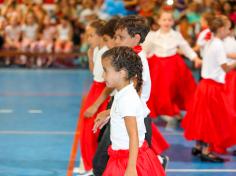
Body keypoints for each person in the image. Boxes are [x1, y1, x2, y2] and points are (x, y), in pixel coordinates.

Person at [101, 46, 165, 176]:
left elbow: (133, 135)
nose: (103, 75)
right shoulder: (123, 93)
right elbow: (121, 113)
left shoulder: (127, 98)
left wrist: (131, 168)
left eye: (106, 71)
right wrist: (108, 116)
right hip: (123, 156)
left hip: (129, 160)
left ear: (122, 73)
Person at [182, 17, 236, 162]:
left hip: (205, 85)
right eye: (228, 28)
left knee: (202, 117)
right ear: (221, 29)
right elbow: (225, 67)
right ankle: (207, 150)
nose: (229, 31)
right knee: (211, 119)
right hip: (213, 87)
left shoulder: (210, 41)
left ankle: (199, 146)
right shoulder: (218, 44)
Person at [142, 9, 201, 129]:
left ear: (173, 22)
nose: (167, 22)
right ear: (159, 21)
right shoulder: (152, 36)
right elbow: (144, 50)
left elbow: (185, 48)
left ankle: (171, 111)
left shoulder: (176, 35)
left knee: (172, 88)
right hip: (157, 66)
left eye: (169, 19)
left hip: (174, 65)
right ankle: (162, 111)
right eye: (164, 19)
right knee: (157, 90)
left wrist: (195, 58)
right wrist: (141, 62)